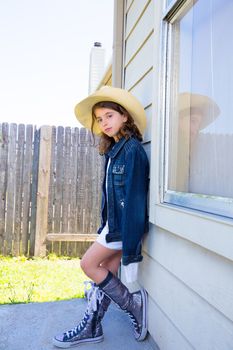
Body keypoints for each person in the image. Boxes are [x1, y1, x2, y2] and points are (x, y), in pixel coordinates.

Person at [53, 86, 150, 348]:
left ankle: (134, 305)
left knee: (88, 265)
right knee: (105, 270)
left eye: (109, 115)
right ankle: (92, 327)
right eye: (99, 119)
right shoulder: (114, 151)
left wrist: (130, 247)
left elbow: (135, 200)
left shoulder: (131, 151)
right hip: (114, 225)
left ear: (125, 117)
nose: (104, 122)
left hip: (123, 229)